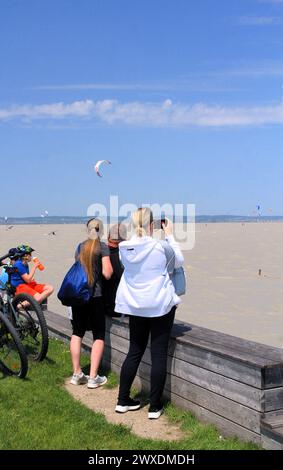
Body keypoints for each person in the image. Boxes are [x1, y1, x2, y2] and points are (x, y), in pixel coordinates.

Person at [114, 208, 184, 419]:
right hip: (160, 305)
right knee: (158, 353)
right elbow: (178, 261)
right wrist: (170, 234)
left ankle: (122, 400)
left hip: (135, 306)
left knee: (134, 350)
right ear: (152, 225)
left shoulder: (123, 248)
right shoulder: (161, 246)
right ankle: (154, 406)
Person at [70, 218, 113, 389]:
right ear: (101, 230)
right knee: (99, 335)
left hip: (79, 295)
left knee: (77, 332)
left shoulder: (80, 247)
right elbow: (107, 273)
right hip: (95, 296)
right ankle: (93, 377)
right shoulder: (101, 247)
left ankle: (77, 373)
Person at [102, 223, 127, 317]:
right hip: (118, 309)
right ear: (125, 239)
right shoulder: (127, 257)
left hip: (100, 307)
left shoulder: (100, 253)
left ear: (108, 236)